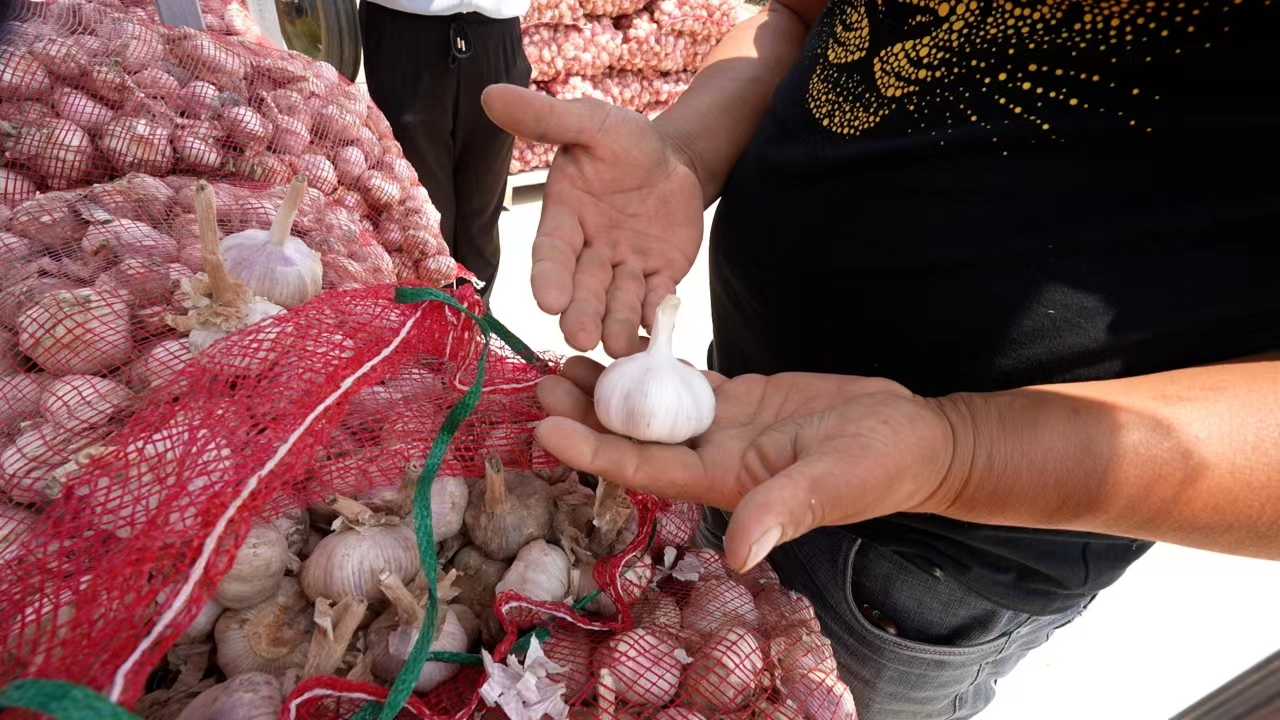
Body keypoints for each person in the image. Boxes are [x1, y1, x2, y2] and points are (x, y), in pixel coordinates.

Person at [478, 0, 1280, 715]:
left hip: (923, 560)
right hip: (735, 402)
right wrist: (684, 150)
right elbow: (799, 18)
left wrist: (958, 452)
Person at [359, 0, 531, 300]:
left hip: (497, 32)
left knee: (481, 217)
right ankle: (425, 335)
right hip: (405, 33)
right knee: (420, 220)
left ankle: (474, 326)